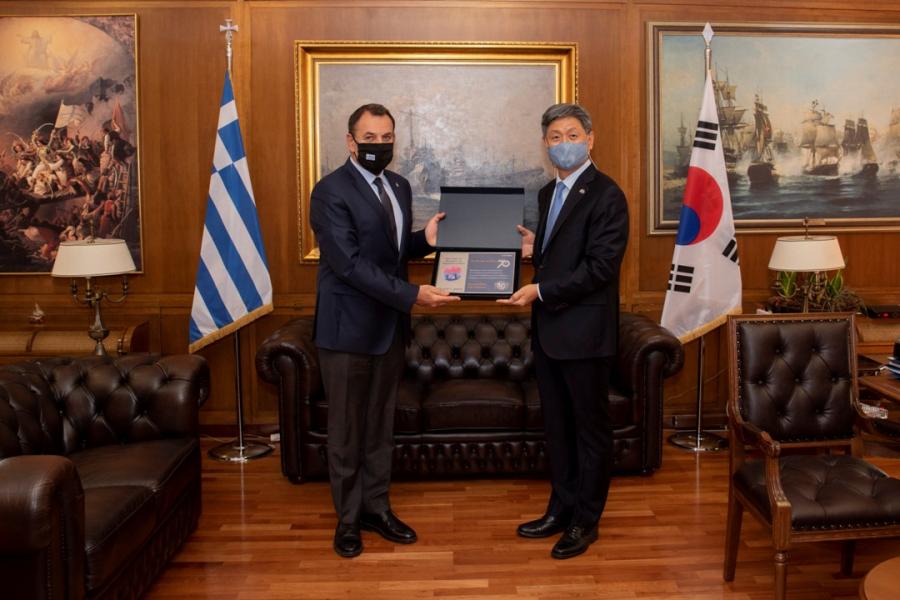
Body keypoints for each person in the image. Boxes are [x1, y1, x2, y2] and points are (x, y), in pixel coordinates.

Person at [310, 103, 460, 558]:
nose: (380, 145)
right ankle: (348, 520)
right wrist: (413, 295)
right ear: (351, 141)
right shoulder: (330, 191)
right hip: (347, 332)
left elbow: (391, 253)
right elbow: (350, 265)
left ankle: (377, 508)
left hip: (389, 329)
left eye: (387, 137)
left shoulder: (398, 185)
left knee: (379, 428)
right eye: (370, 138)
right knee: (346, 432)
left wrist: (423, 241)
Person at [498, 103, 629, 559]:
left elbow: (599, 268)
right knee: (558, 429)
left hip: (586, 335)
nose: (564, 144)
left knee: (590, 432)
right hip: (551, 333)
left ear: (590, 139)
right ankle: (561, 508)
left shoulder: (607, 195)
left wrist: (539, 289)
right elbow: (564, 255)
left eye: (572, 135)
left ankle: (585, 521)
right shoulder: (546, 193)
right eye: (555, 137)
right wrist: (537, 250)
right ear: (545, 144)